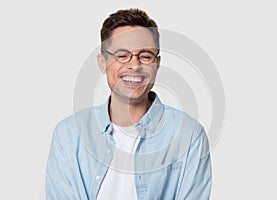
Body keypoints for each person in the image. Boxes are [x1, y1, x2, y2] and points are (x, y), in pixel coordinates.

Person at [46, 8, 212, 200]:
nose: (134, 65)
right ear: (102, 62)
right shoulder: (68, 134)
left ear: (157, 63)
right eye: (122, 55)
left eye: (145, 56)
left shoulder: (189, 135)